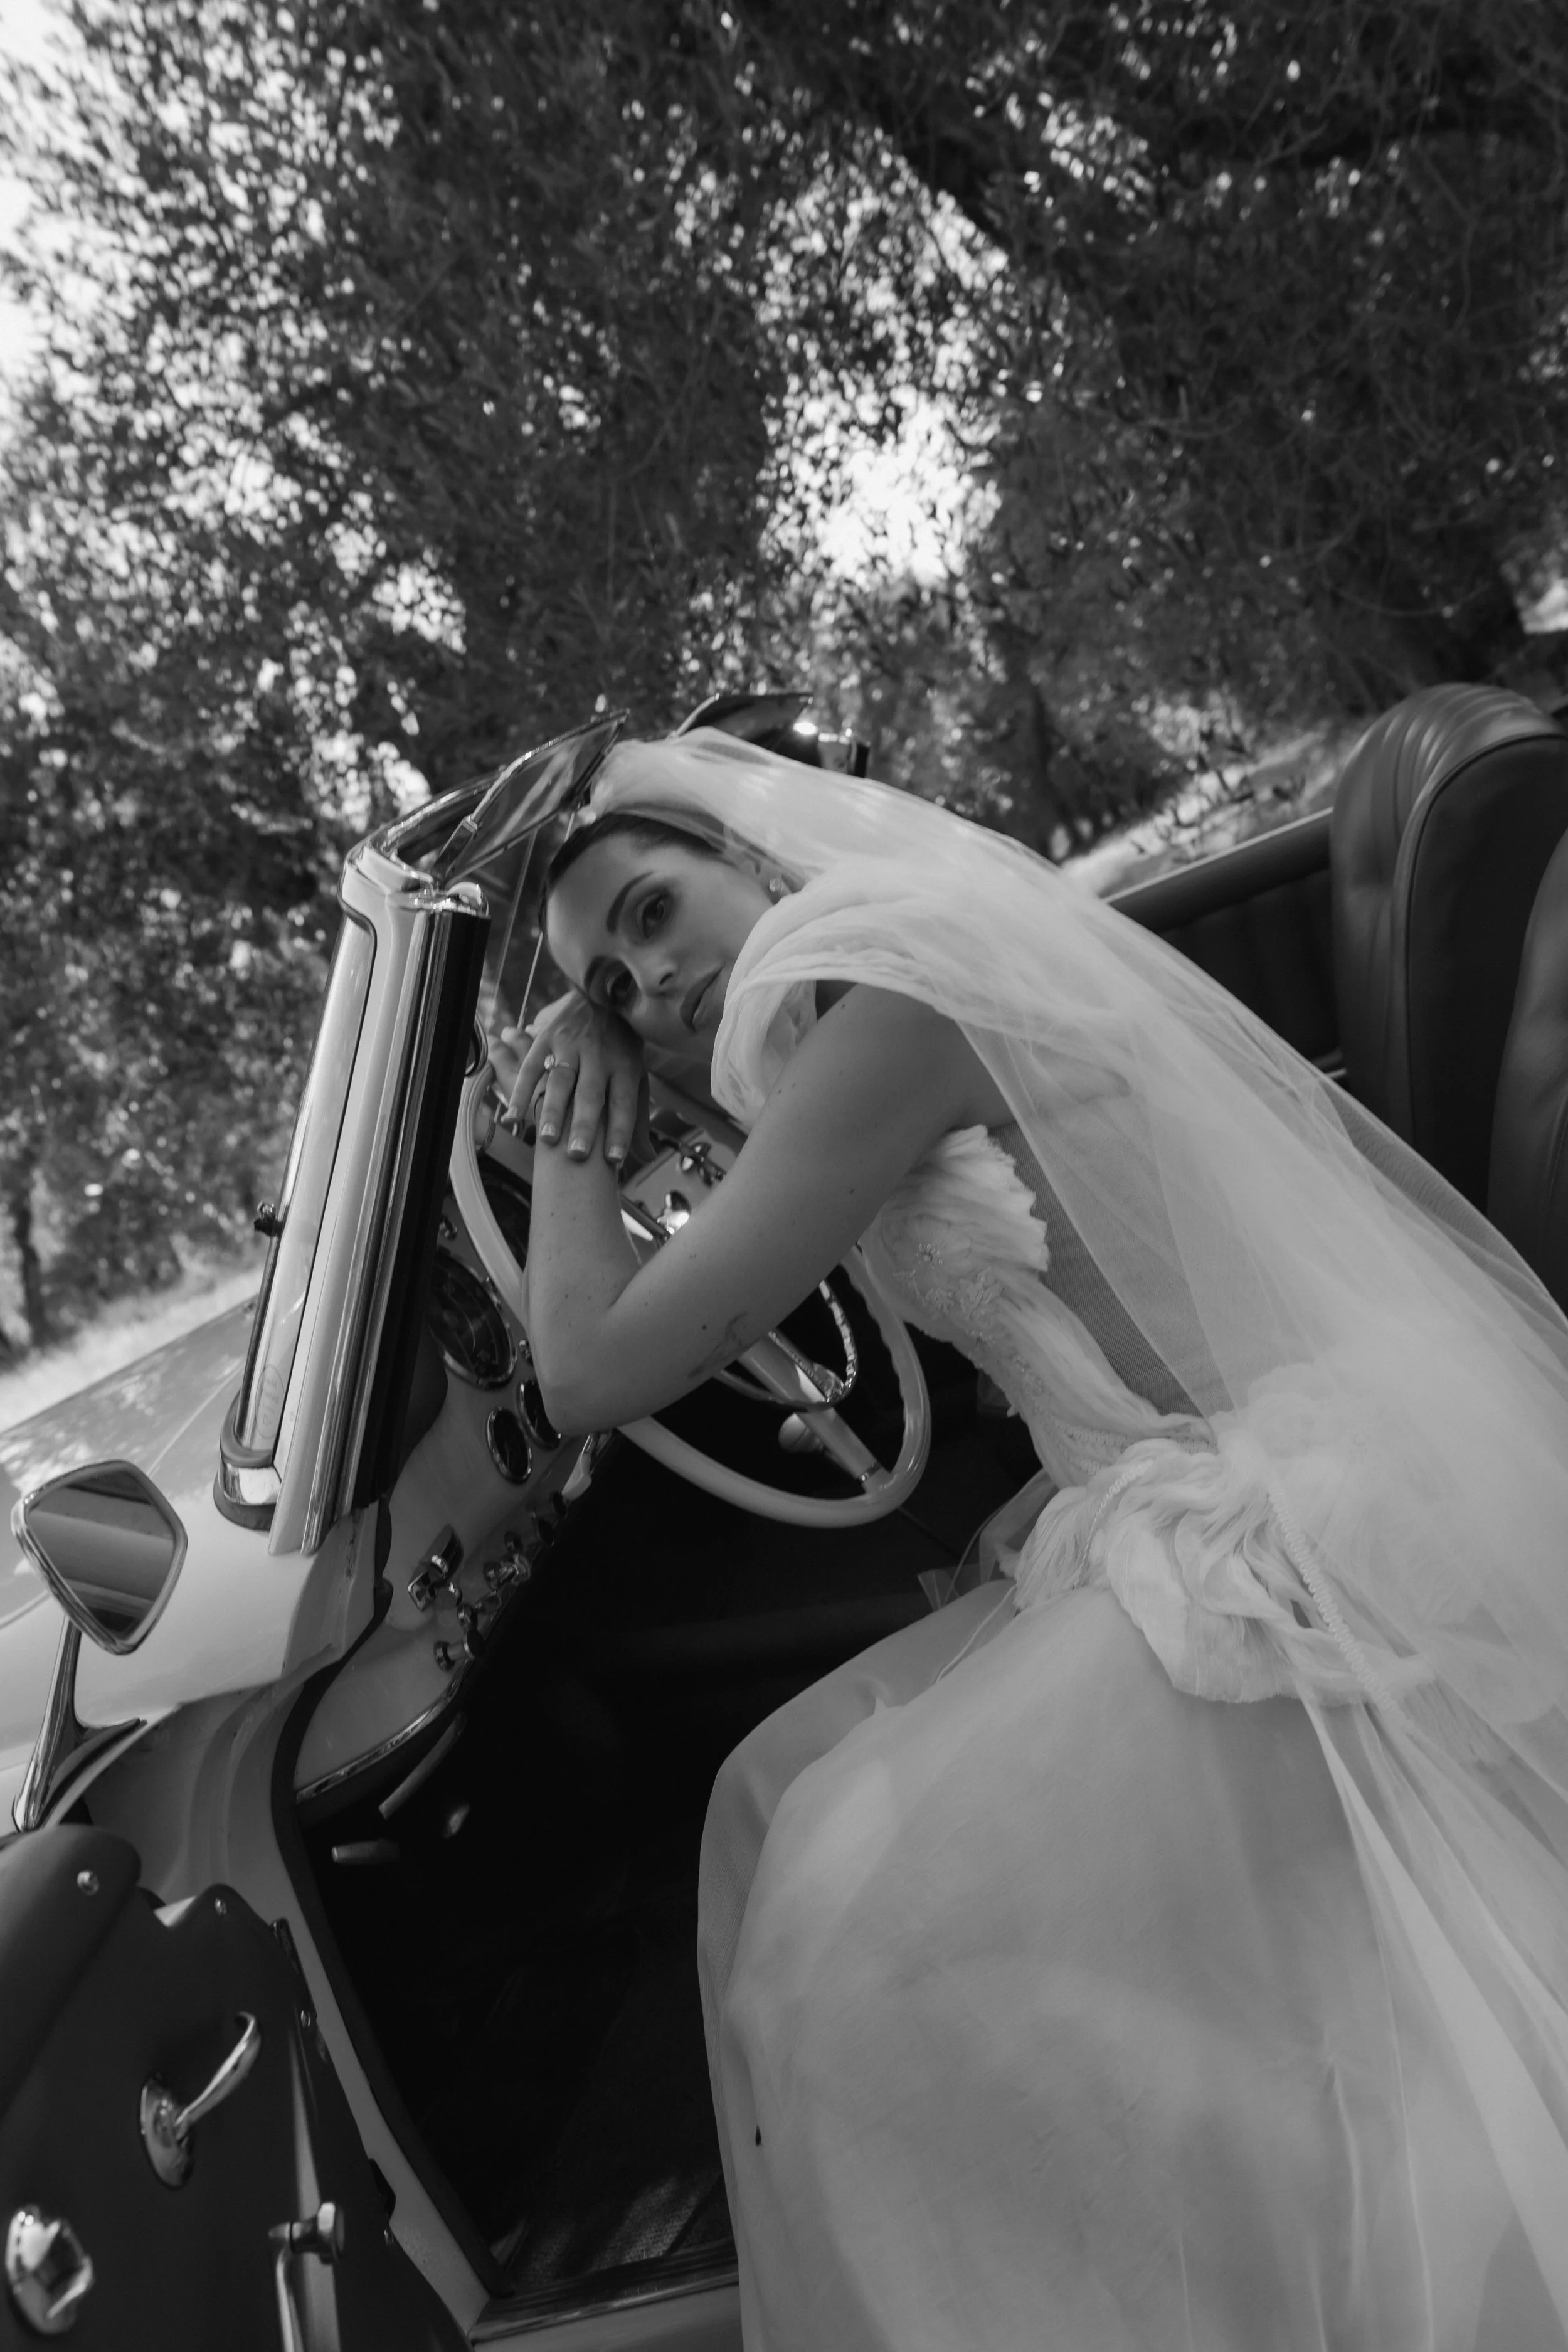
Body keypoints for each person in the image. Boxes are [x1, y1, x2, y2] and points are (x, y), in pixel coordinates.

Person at [506, 724, 1568, 2351]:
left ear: (758, 865)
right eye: (606, 990)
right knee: (764, 1792)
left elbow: (585, 1371)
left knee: (838, 1969)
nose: (641, 992)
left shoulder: (886, 1002)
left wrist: (567, 1123)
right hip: (1148, 1500)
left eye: (650, 918)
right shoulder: (834, 1024)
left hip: (1283, 1524)